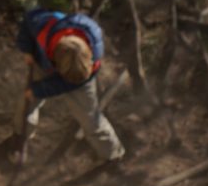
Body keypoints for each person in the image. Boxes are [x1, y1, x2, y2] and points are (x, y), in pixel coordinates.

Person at [14, 8, 125, 162]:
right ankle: (21, 138)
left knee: (90, 119)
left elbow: (66, 84)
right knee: (26, 106)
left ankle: (113, 154)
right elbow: (27, 20)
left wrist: (38, 90)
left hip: (81, 79)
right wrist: (26, 49)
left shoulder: (95, 48)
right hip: (44, 64)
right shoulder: (43, 25)